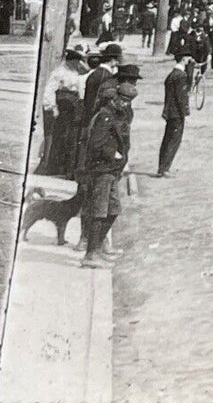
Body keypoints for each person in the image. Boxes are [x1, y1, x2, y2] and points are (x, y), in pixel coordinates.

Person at [79, 62, 139, 266]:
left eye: (129, 101)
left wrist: (122, 162)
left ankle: (97, 247)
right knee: (99, 210)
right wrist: (113, 154)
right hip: (102, 169)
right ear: (116, 98)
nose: (126, 104)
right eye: (124, 100)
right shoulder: (105, 115)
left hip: (113, 170)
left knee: (113, 210)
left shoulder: (119, 113)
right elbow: (96, 144)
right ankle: (91, 254)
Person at [37, 45, 87, 176]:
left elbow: (85, 72)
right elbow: (49, 91)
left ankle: (64, 168)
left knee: (68, 138)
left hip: (72, 107)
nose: (78, 64)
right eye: (76, 61)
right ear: (70, 61)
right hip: (62, 107)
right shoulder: (59, 72)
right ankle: (52, 167)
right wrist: (53, 108)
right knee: (59, 138)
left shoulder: (75, 71)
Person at [159, 56, 192, 177]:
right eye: (188, 58)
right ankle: (165, 169)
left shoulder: (172, 74)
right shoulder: (181, 76)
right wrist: (185, 111)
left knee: (167, 139)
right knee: (173, 140)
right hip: (177, 113)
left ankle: (162, 167)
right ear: (183, 59)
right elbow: (181, 96)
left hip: (170, 111)